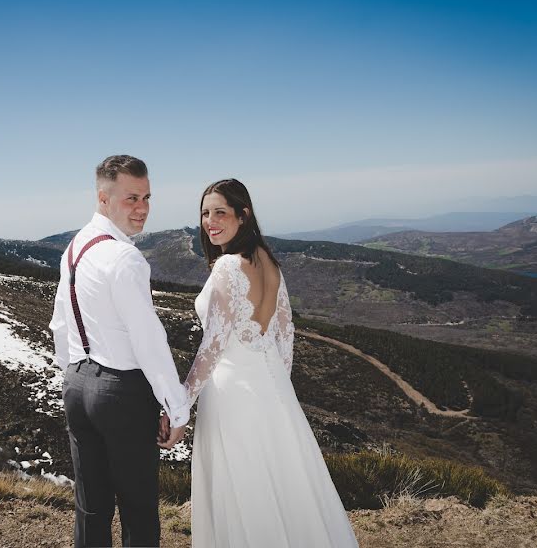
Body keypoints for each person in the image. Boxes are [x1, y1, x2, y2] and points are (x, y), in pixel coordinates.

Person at [160, 178, 360, 547]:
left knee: (244, 495)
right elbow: (286, 335)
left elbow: (212, 347)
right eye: (205, 213)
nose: (210, 220)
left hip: (232, 396)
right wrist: (276, 390)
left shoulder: (227, 267)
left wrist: (178, 407)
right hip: (273, 392)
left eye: (220, 211)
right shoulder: (269, 262)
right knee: (287, 488)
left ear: (243, 214)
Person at [50, 155, 188, 547]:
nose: (142, 208)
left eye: (146, 197)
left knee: (91, 504)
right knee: (138, 507)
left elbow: (61, 322)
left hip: (77, 385)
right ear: (103, 198)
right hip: (121, 392)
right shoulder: (125, 257)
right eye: (131, 198)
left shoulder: (76, 246)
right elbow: (147, 340)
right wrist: (176, 409)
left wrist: (72, 374)